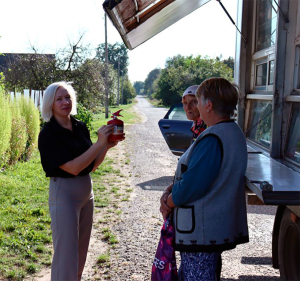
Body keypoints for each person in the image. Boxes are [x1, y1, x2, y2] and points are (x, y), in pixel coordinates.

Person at [160, 77, 249, 280]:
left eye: (198, 101)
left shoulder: (213, 138)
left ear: (208, 105)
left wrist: (168, 202)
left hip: (201, 233)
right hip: (211, 230)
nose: (196, 107)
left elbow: (191, 186)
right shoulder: (232, 131)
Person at [38, 81, 124, 281]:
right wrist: (98, 144)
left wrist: (106, 147)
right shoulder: (48, 134)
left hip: (87, 193)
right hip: (65, 195)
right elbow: (74, 167)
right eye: (59, 99)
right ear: (50, 104)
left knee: (80, 256)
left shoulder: (79, 126)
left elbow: (90, 165)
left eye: (67, 97)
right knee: (65, 257)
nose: (65, 102)